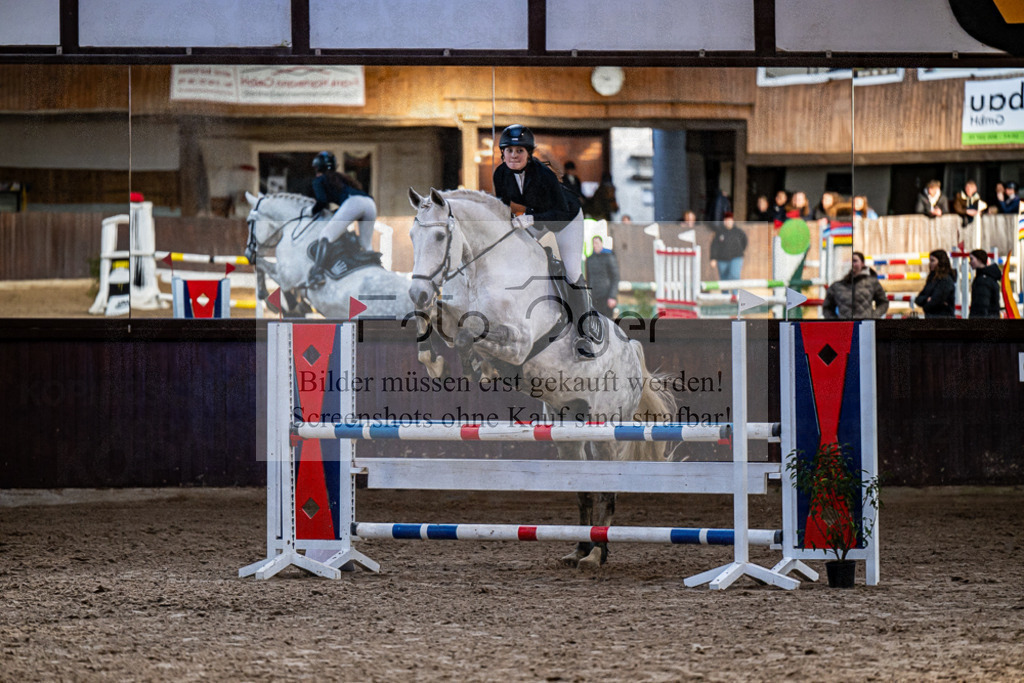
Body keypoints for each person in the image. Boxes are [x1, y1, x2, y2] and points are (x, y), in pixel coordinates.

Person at [492, 124, 602, 359]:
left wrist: (531, 218)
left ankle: (586, 332)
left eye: (519, 151)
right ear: (503, 153)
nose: (513, 155)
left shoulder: (543, 175)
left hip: (566, 219)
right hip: (537, 218)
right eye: (509, 150)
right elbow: (502, 208)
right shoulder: (500, 174)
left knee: (572, 271)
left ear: (528, 153)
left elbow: (559, 212)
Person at [306, 151, 377, 288]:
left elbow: (322, 202)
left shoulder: (319, 180)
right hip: (369, 203)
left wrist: (311, 211)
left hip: (353, 203)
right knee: (366, 245)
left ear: (317, 168)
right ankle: (376, 271)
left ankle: (317, 274)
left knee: (325, 236)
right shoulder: (341, 177)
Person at [822, 251, 889, 319]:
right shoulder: (836, 286)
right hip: (845, 324)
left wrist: (873, 317)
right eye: (850, 261)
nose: (852, 264)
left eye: (855, 261)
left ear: (862, 264)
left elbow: (883, 303)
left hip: (865, 324)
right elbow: (827, 308)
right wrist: (836, 322)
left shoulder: (872, 283)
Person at [708, 212, 747, 291]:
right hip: (722, 259)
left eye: (729, 220)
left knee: (735, 275)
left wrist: (740, 250)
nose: (728, 222)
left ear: (732, 221)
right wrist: (713, 258)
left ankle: (735, 295)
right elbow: (714, 246)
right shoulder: (719, 232)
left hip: (736, 257)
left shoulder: (738, 232)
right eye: (726, 220)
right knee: (724, 278)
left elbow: (745, 241)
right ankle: (725, 296)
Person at [914, 249, 957, 318]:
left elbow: (936, 301)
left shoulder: (946, 280)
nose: (930, 264)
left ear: (941, 262)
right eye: (930, 261)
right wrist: (926, 299)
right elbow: (918, 298)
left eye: (932, 261)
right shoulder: (932, 279)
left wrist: (926, 304)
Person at [585, 236, 620, 319]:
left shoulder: (608, 257)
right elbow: (588, 278)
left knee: (608, 320)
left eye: (597, 243)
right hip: (594, 296)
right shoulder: (590, 259)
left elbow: (615, 278)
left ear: (601, 244)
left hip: (606, 295)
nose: (595, 245)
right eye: (593, 243)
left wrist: (612, 296)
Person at [968, 249, 1001, 318]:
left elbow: (982, 305)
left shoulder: (983, 280)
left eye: (972, 259)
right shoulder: (989, 276)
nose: (970, 262)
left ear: (979, 260)